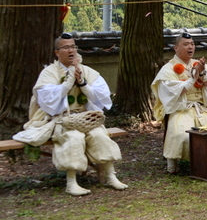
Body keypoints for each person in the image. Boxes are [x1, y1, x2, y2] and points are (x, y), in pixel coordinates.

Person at [13, 33, 127, 196]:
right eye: (66, 47)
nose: (71, 50)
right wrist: (67, 84)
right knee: (74, 137)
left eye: (73, 46)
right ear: (57, 52)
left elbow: (102, 95)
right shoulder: (49, 73)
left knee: (99, 135)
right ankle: (71, 182)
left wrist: (82, 83)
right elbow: (45, 99)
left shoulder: (87, 71)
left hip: (86, 117)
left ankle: (110, 175)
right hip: (62, 119)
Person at [152, 32, 207, 173]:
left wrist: (203, 73)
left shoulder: (198, 64)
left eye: (192, 44)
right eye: (186, 44)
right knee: (182, 135)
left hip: (200, 108)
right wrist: (193, 78)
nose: (190, 47)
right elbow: (172, 92)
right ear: (176, 48)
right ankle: (172, 162)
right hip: (180, 109)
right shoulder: (168, 69)